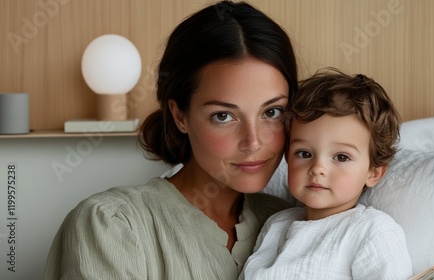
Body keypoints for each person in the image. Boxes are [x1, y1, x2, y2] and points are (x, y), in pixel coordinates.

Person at [43, 1, 298, 279]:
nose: (253, 142)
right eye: (223, 116)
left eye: (272, 112)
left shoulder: (290, 224)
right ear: (180, 116)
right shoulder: (112, 225)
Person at [239, 68, 413, 280]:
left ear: (373, 172)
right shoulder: (275, 225)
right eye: (304, 153)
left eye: (341, 157)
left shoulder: (372, 231)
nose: (317, 168)